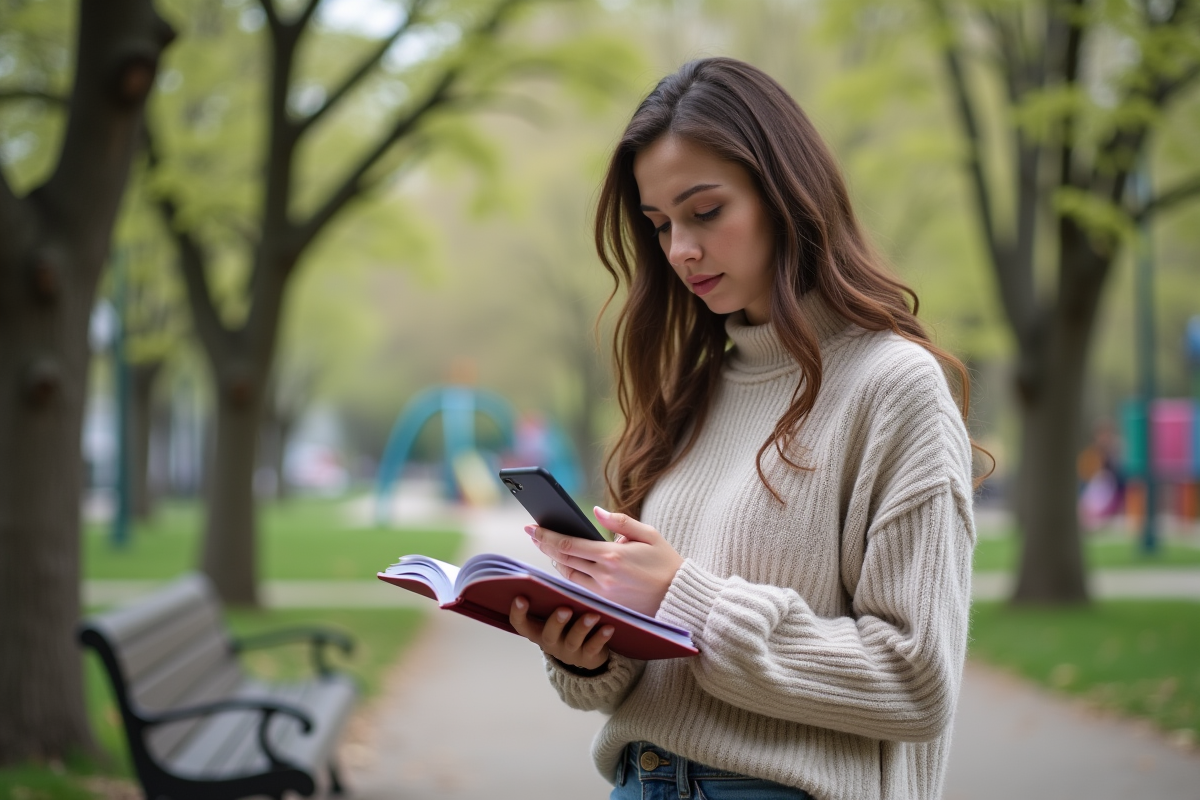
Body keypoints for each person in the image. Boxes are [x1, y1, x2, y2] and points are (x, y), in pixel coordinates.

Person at [508, 57, 981, 800]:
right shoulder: (693, 393)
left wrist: (685, 597)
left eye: (705, 212)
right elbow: (656, 667)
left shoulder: (894, 387)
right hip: (641, 779)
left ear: (787, 195)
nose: (680, 250)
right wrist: (591, 648)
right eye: (659, 225)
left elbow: (914, 682)